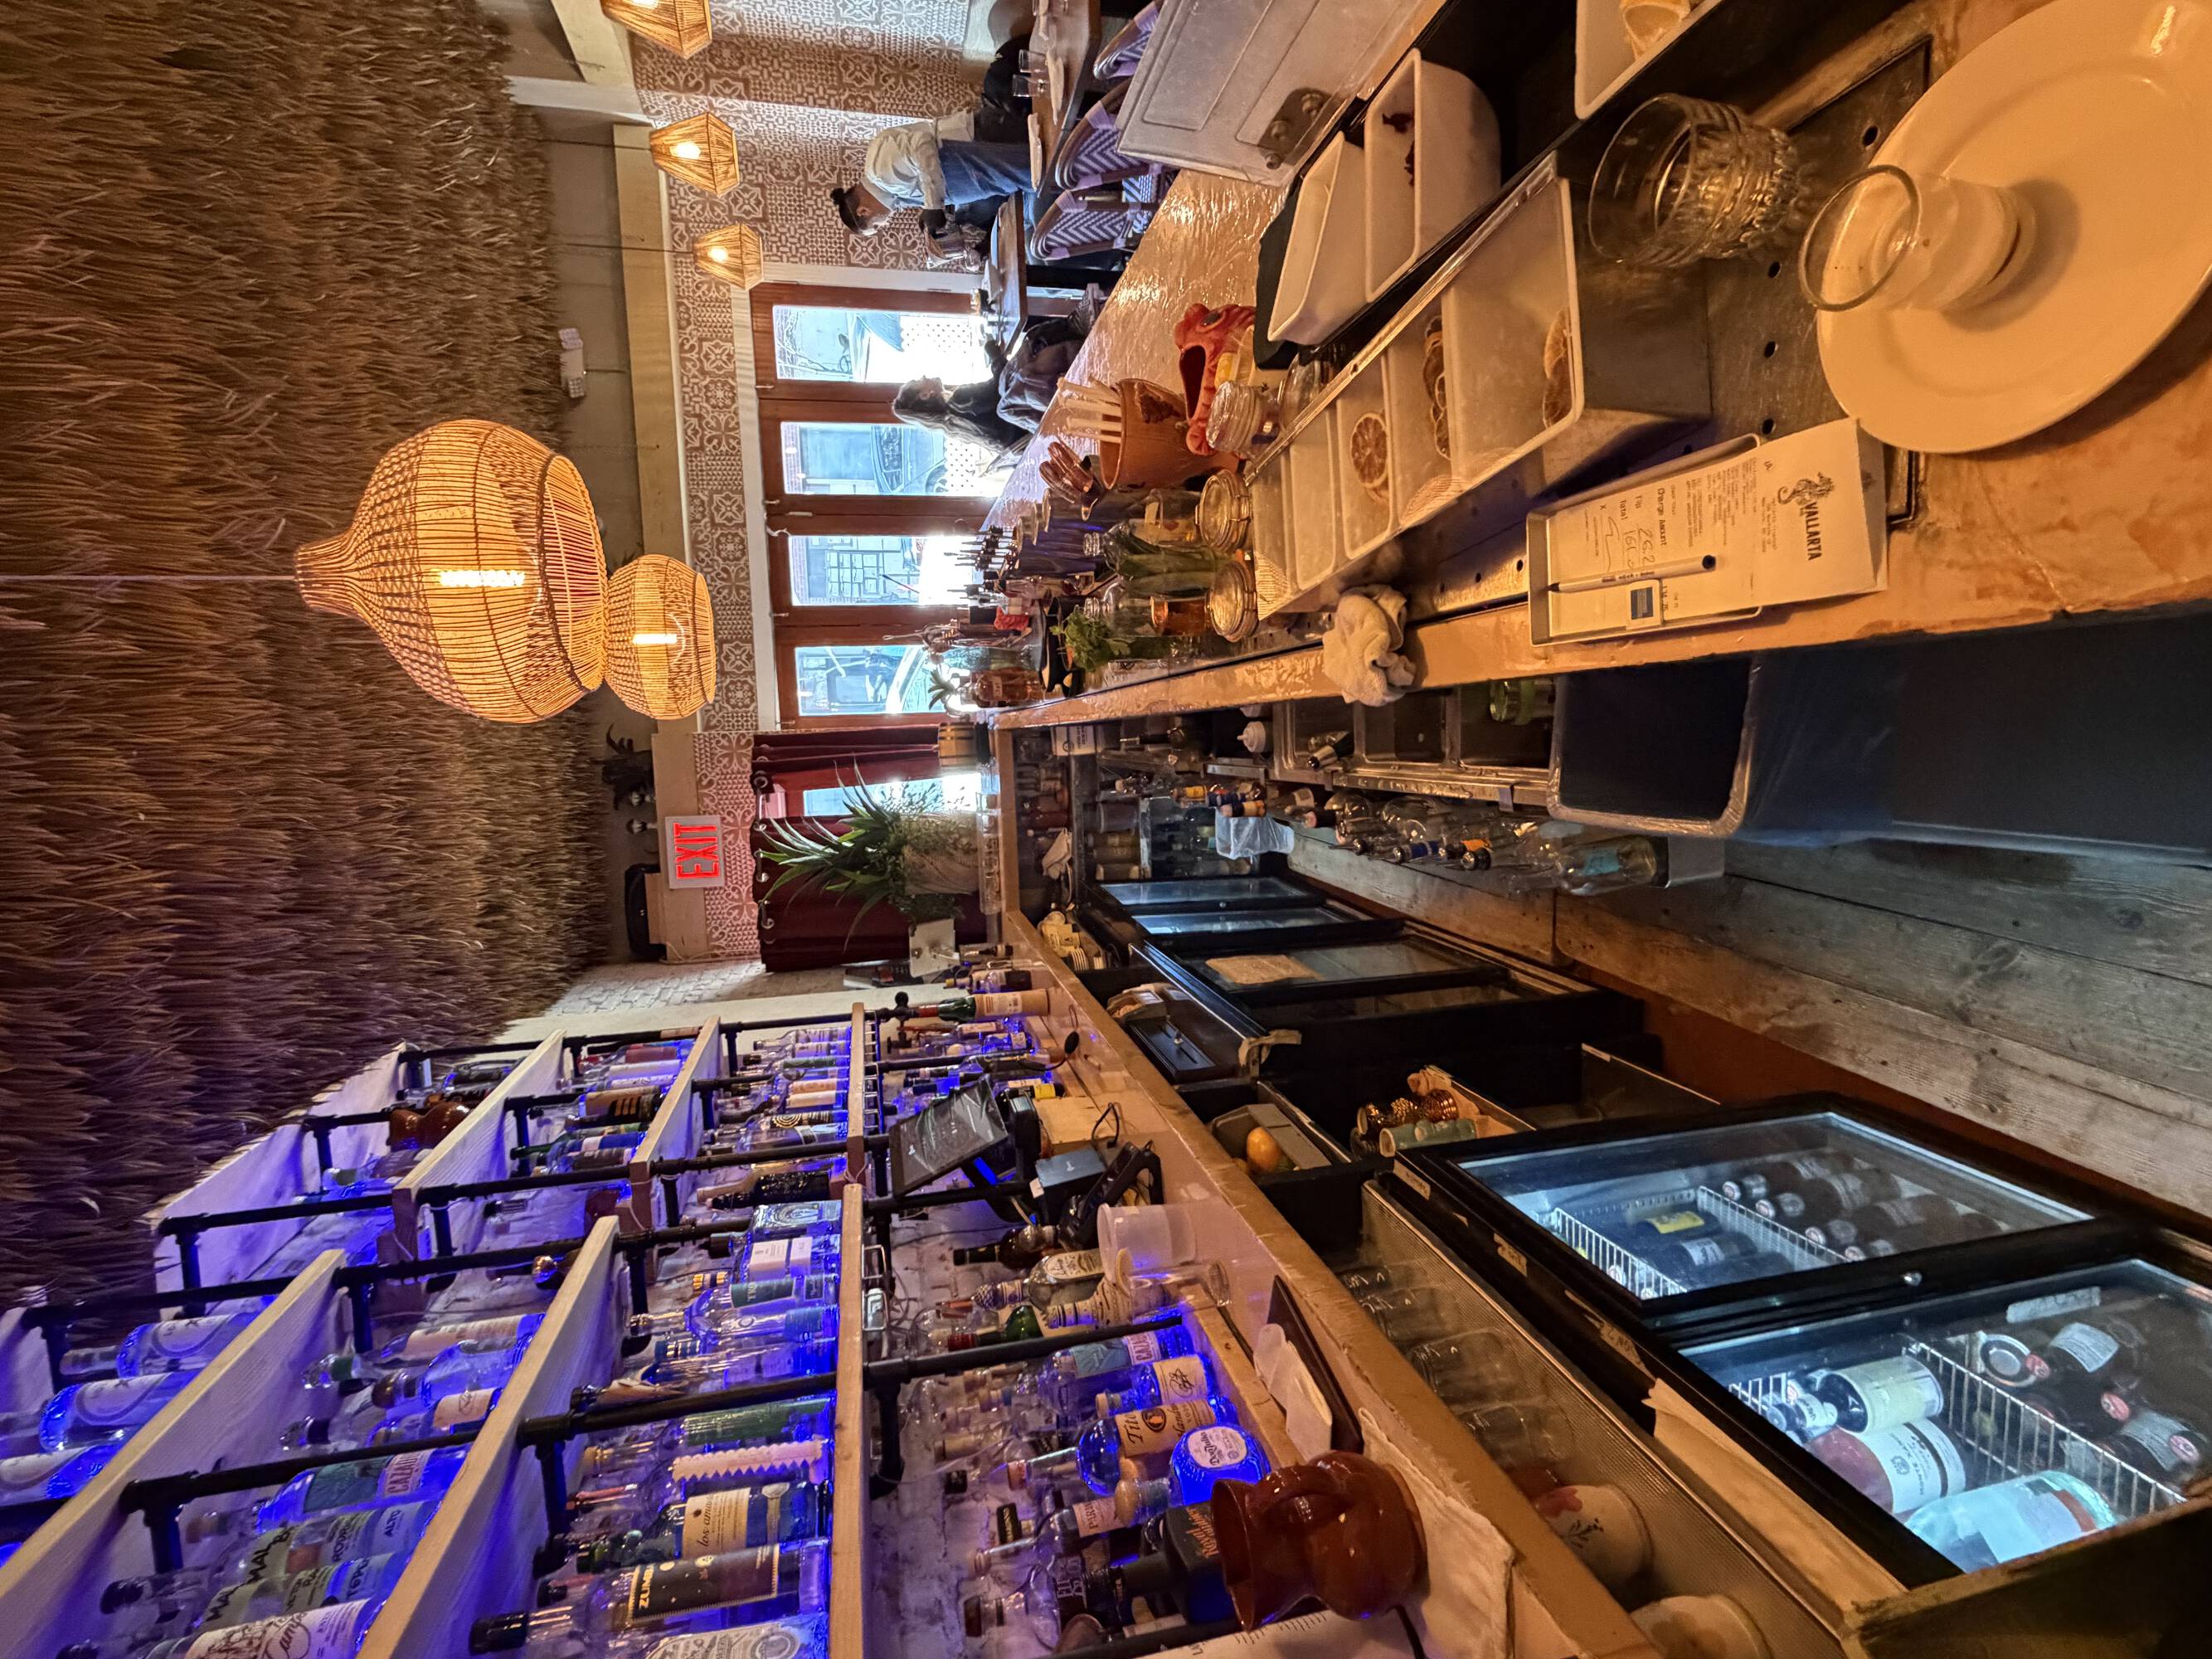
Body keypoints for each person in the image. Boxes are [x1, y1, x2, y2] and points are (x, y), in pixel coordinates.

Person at [831, 115, 1036, 237]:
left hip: (983, 141)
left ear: (863, 211)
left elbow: (922, 143)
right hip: (987, 167)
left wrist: (932, 206)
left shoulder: (880, 171)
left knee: (1043, 160)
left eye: (877, 226)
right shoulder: (891, 191)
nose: (885, 224)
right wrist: (929, 209)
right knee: (1039, 168)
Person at [890, 375, 1030, 455]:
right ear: (925, 395)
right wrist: (991, 350)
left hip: (1027, 440)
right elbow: (1001, 383)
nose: (924, 377)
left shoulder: (953, 423)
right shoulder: (959, 401)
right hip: (1029, 423)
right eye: (919, 381)